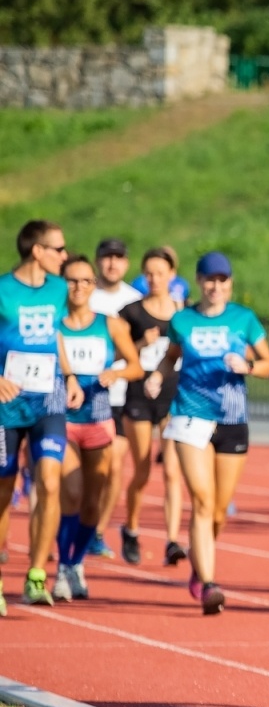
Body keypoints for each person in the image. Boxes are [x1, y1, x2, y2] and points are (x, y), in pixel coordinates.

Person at [150, 252, 269, 614]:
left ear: (230, 284)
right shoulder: (183, 320)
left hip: (232, 418)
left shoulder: (244, 319)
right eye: (209, 279)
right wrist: (158, 374)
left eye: (222, 280)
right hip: (190, 415)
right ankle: (209, 582)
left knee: (218, 511)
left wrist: (248, 365)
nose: (215, 286)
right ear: (199, 281)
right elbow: (170, 356)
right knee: (202, 501)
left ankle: (198, 561)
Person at [1, 220, 85, 612]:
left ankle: (37, 575)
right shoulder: (3, 291)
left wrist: (69, 375)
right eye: (58, 249)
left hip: (48, 403)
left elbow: (55, 335)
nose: (64, 256)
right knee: (3, 493)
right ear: (37, 251)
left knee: (49, 482)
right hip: (7, 407)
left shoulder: (56, 290)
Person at [55, 254, 143, 600]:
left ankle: (76, 563)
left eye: (85, 281)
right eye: (72, 281)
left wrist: (116, 373)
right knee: (72, 493)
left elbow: (136, 366)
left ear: (94, 286)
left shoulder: (110, 324)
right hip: (60, 420)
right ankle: (62, 566)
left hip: (98, 420)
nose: (78, 288)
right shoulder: (53, 324)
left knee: (93, 501)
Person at [118, 247, 186, 568]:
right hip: (138, 395)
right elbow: (116, 355)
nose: (154, 279)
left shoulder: (183, 314)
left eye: (160, 273)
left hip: (173, 397)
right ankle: (131, 527)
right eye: (149, 273)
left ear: (172, 275)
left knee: (173, 470)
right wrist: (142, 343)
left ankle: (172, 540)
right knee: (143, 469)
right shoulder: (131, 313)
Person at [86, 238, 143, 560]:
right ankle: (74, 522)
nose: (112, 263)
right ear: (97, 261)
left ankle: (97, 531)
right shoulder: (83, 295)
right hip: (83, 396)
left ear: (126, 263)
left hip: (121, 397)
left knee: (114, 467)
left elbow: (147, 351)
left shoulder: (134, 301)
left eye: (118, 258)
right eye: (106, 257)